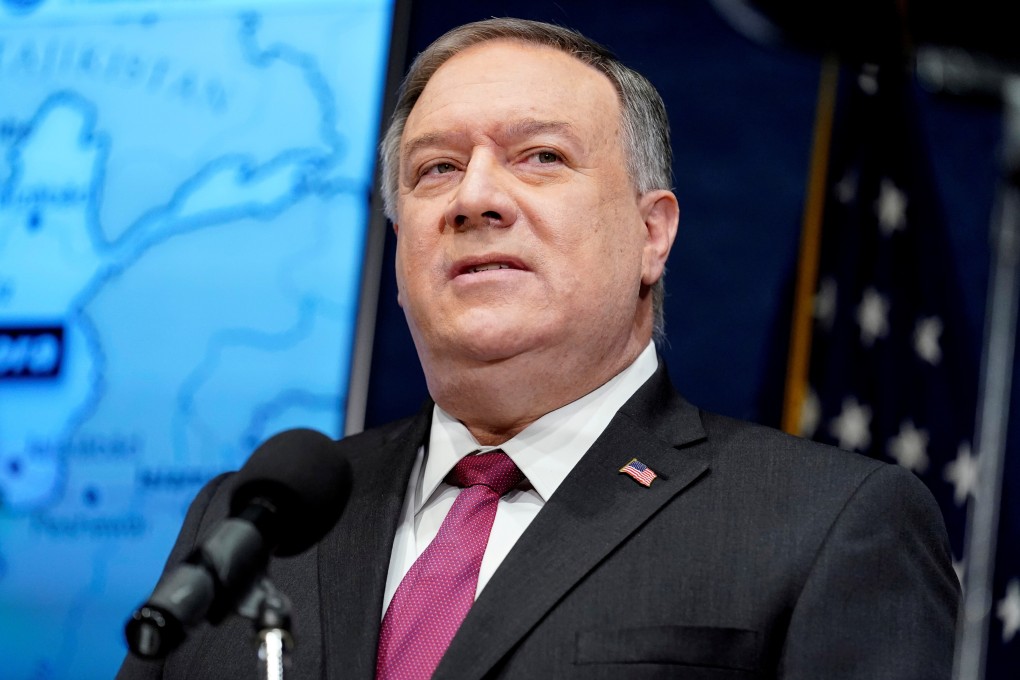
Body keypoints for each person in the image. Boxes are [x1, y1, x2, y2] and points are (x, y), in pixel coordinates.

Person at [117, 17, 959, 680]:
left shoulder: (830, 526)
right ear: (399, 249)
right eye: (435, 169)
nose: (476, 196)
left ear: (650, 234)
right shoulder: (250, 523)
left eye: (541, 157)